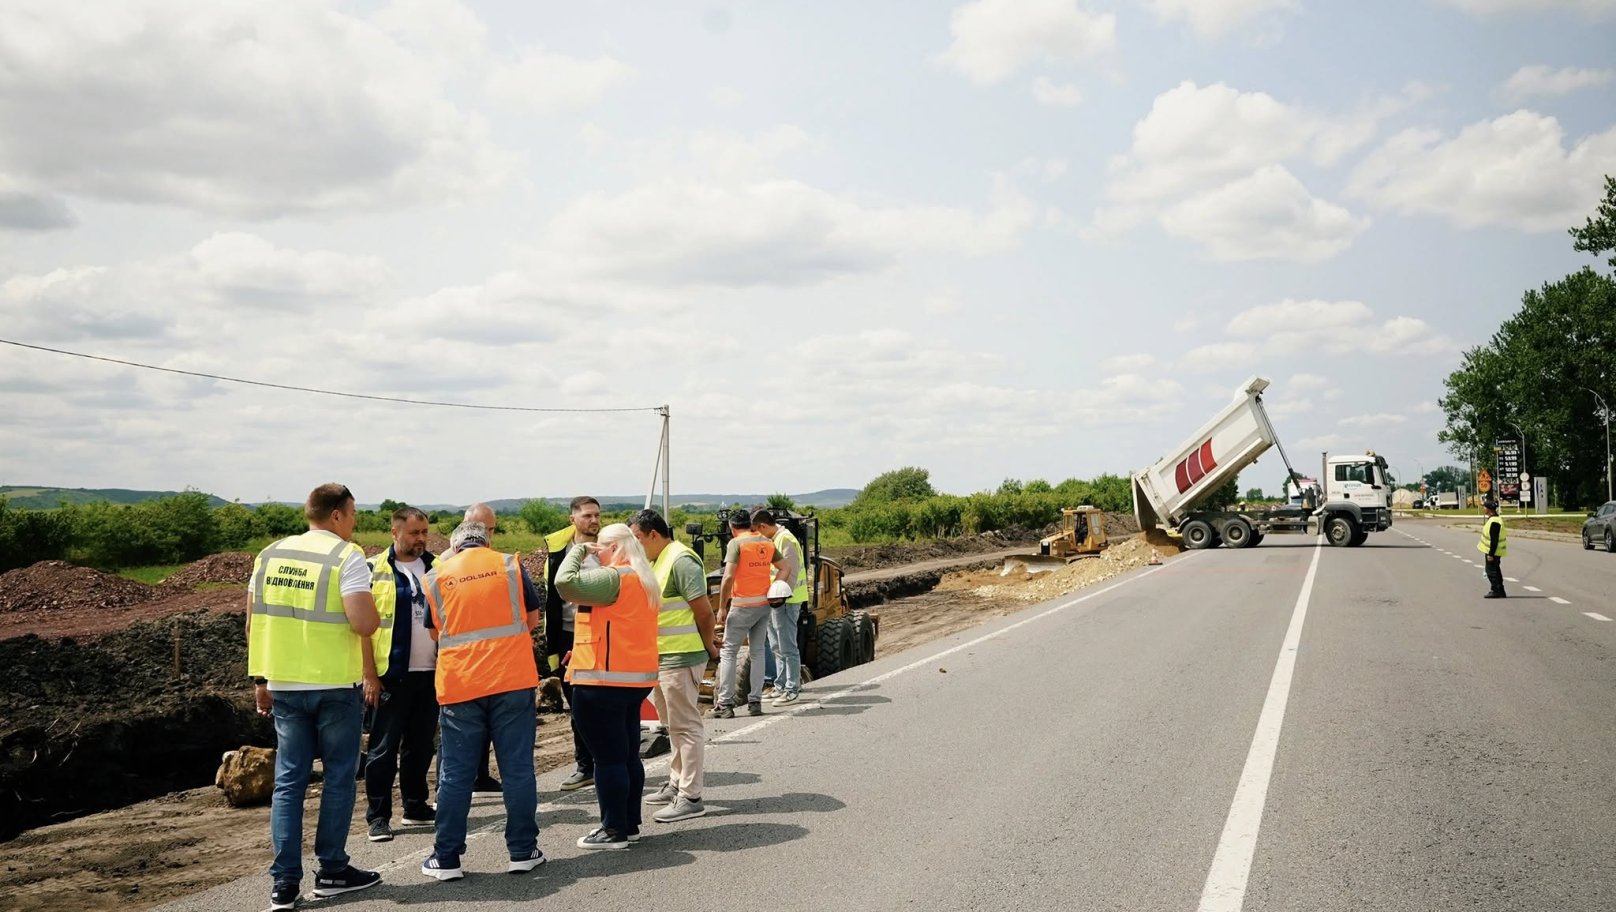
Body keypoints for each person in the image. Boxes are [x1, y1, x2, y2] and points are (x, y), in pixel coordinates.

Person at [247, 483, 383, 911]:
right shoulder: (347, 556)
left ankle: (284, 883)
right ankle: (333, 869)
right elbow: (364, 623)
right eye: (354, 513)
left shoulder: (269, 555)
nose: (355, 521)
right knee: (339, 777)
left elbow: (253, 623)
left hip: (285, 684)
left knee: (289, 781)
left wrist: (262, 679)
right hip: (333, 684)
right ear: (337, 515)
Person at [419, 520, 547, 880]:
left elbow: (434, 632)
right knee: (517, 769)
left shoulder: (437, 575)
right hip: (512, 680)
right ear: (486, 541)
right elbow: (532, 619)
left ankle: (446, 858)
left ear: (455, 546)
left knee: (455, 774)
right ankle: (522, 851)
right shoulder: (509, 565)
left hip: (460, 685)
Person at [553, 523, 660, 849]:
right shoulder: (642, 578)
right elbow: (615, 626)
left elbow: (564, 583)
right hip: (632, 680)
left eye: (600, 546)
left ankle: (612, 830)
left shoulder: (614, 577)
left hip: (602, 682)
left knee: (608, 760)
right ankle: (628, 824)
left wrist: (578, 549)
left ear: (614, 547)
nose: (596, 552)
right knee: (627, 757)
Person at [629, 510, 719, 823]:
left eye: (638, 539)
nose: (635, 546)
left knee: (686, 727)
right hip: (662, 657)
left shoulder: (681, 560)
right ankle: (677, 783)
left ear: (653, 534)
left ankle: (691, 797)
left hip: (681, 656)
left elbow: (704, 611)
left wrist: (709, 646)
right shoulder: (656, 560)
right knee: (673, 725)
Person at [361, 506, 438, 843]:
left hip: (431, 672)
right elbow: (362, 629)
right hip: (389, 676)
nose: (421, 539)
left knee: (421, 746)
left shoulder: (437, 567)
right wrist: (369, 675)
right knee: (382, 750)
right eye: (414, 533)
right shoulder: (373, 570)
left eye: (424, 533)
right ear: (395, 533)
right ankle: (378, 817)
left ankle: (415, 805)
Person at [441, 503, 511, 797]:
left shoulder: (495, 561)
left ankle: (480, 776)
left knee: (481, 729)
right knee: (456, 736)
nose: (489, 535)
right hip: (461, 665)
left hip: (490, 662)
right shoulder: (446, 564)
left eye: (492, 529)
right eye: (485, 530)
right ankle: (451, 789)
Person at [544, 496, 603, 792]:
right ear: (573, 520)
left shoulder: (607, 550)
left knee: (603, 702)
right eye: (587, 516)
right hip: (570, 636)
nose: (594, 521)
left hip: (603, 635)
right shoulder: (559, 554)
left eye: (597, 515)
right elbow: (551, 601)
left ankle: (607, 761)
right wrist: (552, 647)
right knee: (577, 704)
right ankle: (585, 766)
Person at [712, 511, 788, 719]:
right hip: (763, 605)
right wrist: (774, 589)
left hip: (741, 605)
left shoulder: (736, 544)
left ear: (732, 527)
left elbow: (728, 577)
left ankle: (725, 704)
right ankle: (755, 702)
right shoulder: (766, 542)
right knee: (757, 652)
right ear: (750, 524)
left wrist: (722, 607)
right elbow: (785, 568)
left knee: (729, 652)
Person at [751, 508, 806, 705]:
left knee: (787, 646)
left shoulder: (785, 539)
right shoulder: (775, 540)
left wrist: (778, 595)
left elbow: (790, 571)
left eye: (757, 531)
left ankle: (792, 688)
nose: (756, 536)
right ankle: (781, 685)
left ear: (763, 526)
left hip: (786, 600)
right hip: (775, 600)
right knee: (776, 645)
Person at [1479, 498, 1508, 598]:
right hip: (1495, 550)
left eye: (1484, 507)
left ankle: (1495, 590)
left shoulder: (1494, 521)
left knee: (1491, 571)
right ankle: (1500, 590)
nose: (1483, 509)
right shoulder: (1494, 519)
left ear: (1489, 509)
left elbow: (1494, 539)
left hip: (1493, 551)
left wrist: (1491, 554)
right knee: (1496, 570)